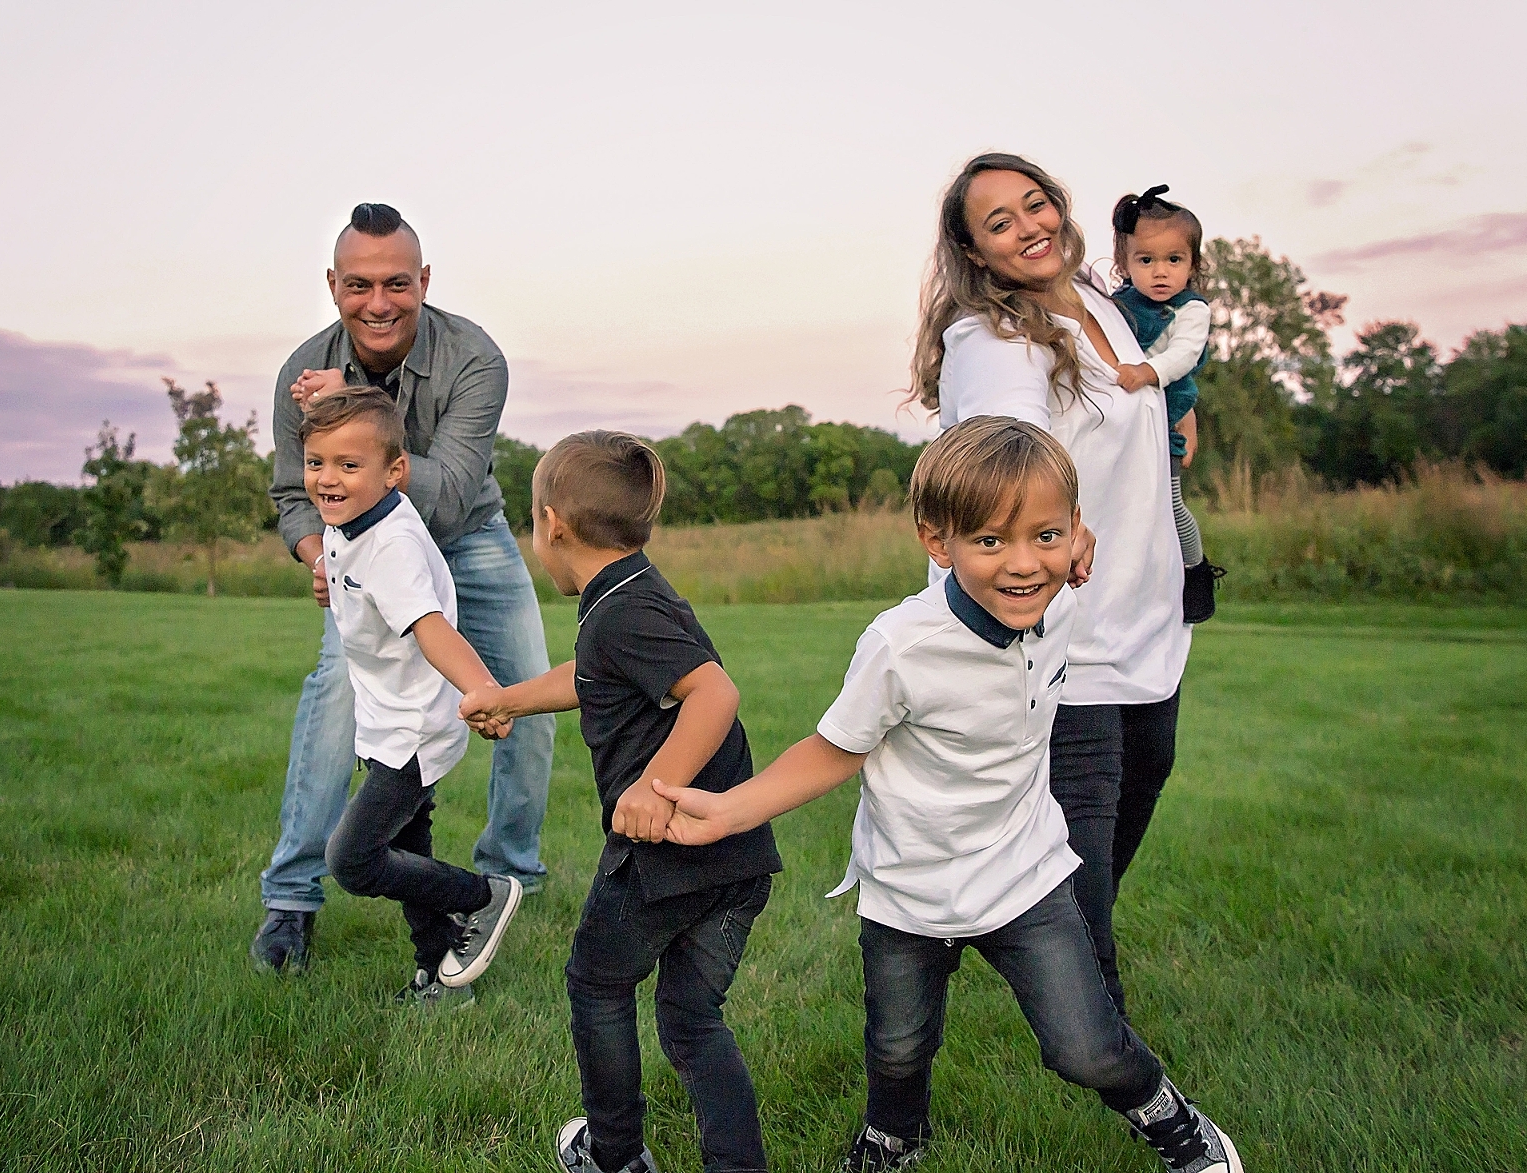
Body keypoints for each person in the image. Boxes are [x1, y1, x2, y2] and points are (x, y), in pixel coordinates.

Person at [655, 418, 1242, 1173]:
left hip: (1024, 873)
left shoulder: (1059, 597)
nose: (1022, 565)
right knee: (897, 1046)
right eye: (991, 542)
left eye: (1046, 537)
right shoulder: (903, 646)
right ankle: (893, 1136)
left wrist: (1071, 540)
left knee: (1085, 1045)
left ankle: (1173, 1119)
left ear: (1072, 533)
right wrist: (732, 809)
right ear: (939, 542)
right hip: (910, 886)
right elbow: (835, 749)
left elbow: (1059, 547)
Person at [908, 153, 1191, 1017]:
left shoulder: (1104, 303)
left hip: (1147, 620)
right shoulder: (991, 338)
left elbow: (1134, 405)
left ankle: (1004, 940)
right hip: (1062, 641)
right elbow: (1008, 444)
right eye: (1000, 221)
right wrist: (1054, 511)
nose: (1028, 225)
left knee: (1105, 834)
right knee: (1083, 869)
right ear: (977, 252)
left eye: (1035, 204)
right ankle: (1124, 1072)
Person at [460, 431, 781, 1173]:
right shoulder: (630, 594)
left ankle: (613, 1154)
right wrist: (508, 697)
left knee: (597, 984)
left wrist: (651, 783)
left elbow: (715, 692)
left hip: (664, 861)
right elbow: (592, 673)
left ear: (552, 524)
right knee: (692, 1017)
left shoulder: (623, 611)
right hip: (734, 857)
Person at [251, 203, 554, 975]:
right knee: (334, 704)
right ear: (333, 285)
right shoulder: (300, 371)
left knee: (525, 697)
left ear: (423, 281)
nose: (377, 302)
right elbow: (294, 494)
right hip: (360, 546)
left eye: (395, 283)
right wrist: (324, 557)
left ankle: (509, 874)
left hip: (471, 537)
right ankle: (291, 898)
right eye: (358, 285)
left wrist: (355, 412)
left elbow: (448, 492)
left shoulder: (476, 356)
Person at [298, 386, 524, 1006]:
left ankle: (487, 896)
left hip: (412, 728)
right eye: (316, 462)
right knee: (407, 846)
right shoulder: (354, 517)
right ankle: (440, 971)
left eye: (348, 465)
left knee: (355, 859)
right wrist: (331, 579)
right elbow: (352, 573)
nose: (327, 479)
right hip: (384, 716)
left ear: (395, 471)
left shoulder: (392, 544)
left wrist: (483, 688)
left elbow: (432, 629)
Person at [1109, 185, 1225, 623]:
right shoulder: (1117, 303)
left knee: (1169, 504)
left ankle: (1195, 571)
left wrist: (1148, 373)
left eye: (1174, 260)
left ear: (1193, 264)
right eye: (1146, 260)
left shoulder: (1191, 310)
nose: (1160, 272)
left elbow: (1184, 356)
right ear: (1125, 263)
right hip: (1125, 424)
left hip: (1167, 417)